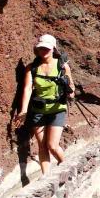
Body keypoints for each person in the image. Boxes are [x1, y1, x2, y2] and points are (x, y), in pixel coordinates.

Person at [13, 34, 74, 174]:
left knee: (52, 145)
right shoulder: (32, 68)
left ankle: (66, 168)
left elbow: (72, 90)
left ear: (53, 48)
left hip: (57, 108)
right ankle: (46, 176)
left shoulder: (63, 66)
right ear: (37, 49)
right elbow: (27, 89)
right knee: (42, 146)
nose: (44, 51)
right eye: (41, 48)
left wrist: (67, 89)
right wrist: (23, 111)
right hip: (38, 110)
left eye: (47, 48)